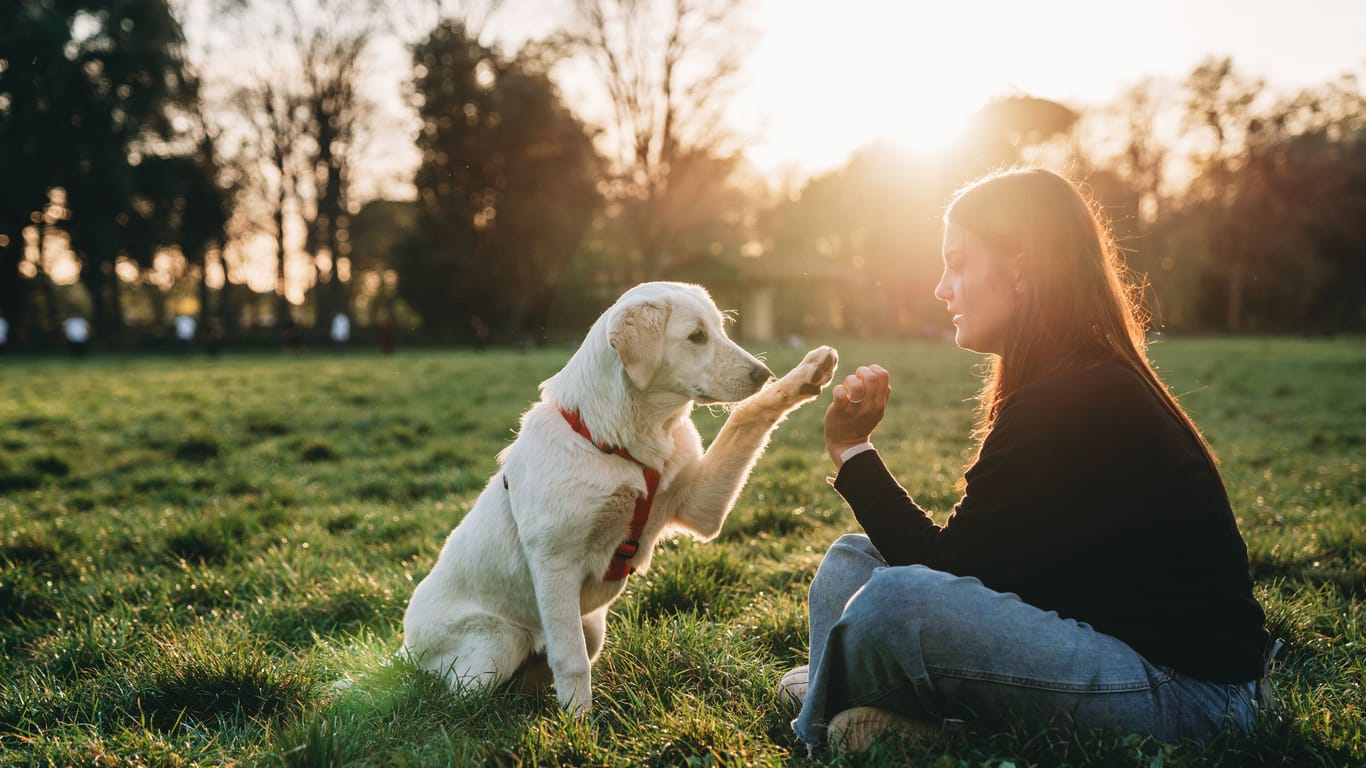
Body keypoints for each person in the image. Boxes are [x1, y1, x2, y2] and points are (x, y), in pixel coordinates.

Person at [785, 168, 1270, 752]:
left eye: (958, 264)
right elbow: (987, 572)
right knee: (851, 561)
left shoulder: (1079, 392)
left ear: (1019, 266)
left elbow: (944, 572)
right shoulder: (1062, 379)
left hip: (1192, 698)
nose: (942, 288)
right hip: (1105, 641)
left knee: (896, 601)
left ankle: (825, 715)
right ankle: (878, 716)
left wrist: (852, 451)